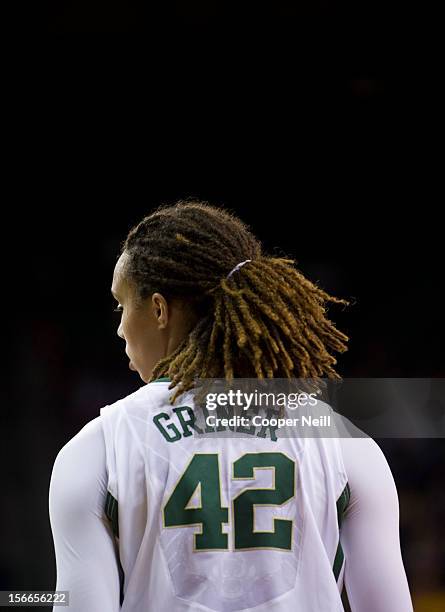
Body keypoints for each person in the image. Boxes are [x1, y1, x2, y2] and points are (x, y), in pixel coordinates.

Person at [49, 200, 414, 611]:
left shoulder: (97, 449)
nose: (118, 328)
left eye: (121, 305)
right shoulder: (346, 443)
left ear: (158, 309)